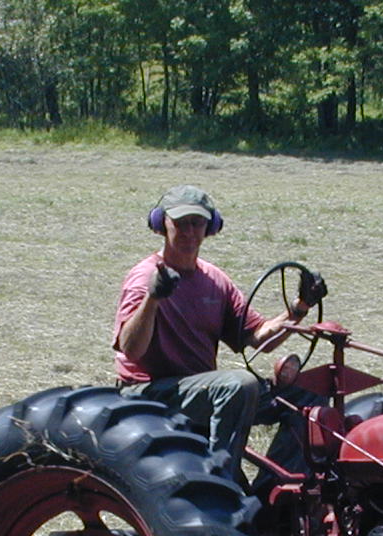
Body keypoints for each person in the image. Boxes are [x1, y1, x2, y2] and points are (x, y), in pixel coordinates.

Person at [113, 185, 322, 480]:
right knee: (239, 385)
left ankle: (277, 488)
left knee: (310, 392)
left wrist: (299, 309)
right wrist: (153, 298)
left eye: (197, 223)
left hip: (202, 391)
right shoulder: (145, 278)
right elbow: (131, 349)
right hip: (151, 392)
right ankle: (219, 481)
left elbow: (258, 337)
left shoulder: (214, 280)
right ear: (161, 224)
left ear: (211, 227)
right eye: (180, 223)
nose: (189, 232)